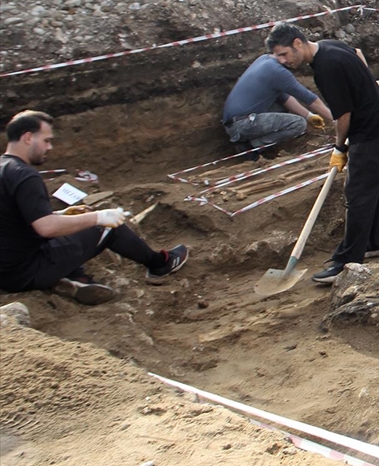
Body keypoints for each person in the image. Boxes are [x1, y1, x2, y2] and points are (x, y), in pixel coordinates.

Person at [0, 111, 188, 305]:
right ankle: (160, 264)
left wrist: (61, 214)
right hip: (26, 272)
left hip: (6, 271)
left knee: (73, 227)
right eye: (46, 141)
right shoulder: (26, 176)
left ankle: (75, 278)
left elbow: (13, 218)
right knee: (107, 227)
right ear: (28, 138)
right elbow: (47, 228)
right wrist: (99, 217)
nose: (49, 147)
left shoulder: (4, 169)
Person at [267, 22, 379, 284]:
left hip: (369, 130)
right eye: (277, 57)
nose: (282, 61)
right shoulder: (329, 46)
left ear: (297, 44)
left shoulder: (326, 68)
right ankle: (377, 241)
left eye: (283, 54)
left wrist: (339, 146)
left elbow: (343, 116)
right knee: (374, 187)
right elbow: (358, 53)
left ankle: (347, 261)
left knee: (358, 194)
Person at [222, 54, 333, 151]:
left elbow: (283, 97)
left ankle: (250, 141)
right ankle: (252, 146)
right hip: (243, 124)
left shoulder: (264, 60)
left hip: (235, 122)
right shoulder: (277, 71)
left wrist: (309, 116)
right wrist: (335, 119)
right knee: (299, 124)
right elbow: (307, 97)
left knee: (281, 107)